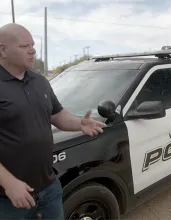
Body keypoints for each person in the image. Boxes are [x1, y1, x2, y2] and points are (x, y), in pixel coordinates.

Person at [0, 23, 106, 219]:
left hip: (49, 189)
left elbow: (56, 115)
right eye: (24, 46)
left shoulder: (39, 81)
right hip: (8, 199)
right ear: (3, 49)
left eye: (32, 45)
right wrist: (8, 183)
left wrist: (79, 124)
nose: (32, 50)